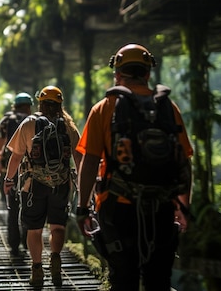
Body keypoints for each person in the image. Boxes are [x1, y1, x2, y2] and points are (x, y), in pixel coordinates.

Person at [75, 43, 194, 291]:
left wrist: (82, 208)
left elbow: (89, 163)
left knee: (123, 278)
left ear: (117, 73)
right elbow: (183, 160)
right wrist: (183, 205)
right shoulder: (167, 108)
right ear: (148, 73)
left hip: (117, 207)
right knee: (158, 280)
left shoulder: (104, 108)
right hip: (161, 207)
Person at [3, 86, 82, 287]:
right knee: (58, 226)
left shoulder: (29, 123)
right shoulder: (69, 126)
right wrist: (83, 185)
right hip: (61, 184)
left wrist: (9, 179)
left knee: (34, 229)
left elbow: (16, 156)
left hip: (33, 185)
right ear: (60, 103)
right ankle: (55, 260)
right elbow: (79, 157)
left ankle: (37, 268)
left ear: (40, 103)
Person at [0, 92, 33, 258]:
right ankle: (27, 240)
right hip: (30, 171)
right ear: (29, 106)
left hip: (9, 171)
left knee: (13, 207)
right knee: (30, 206)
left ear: (14, 105)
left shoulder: (7, 121)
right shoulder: (34, 121)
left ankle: (14, 246)